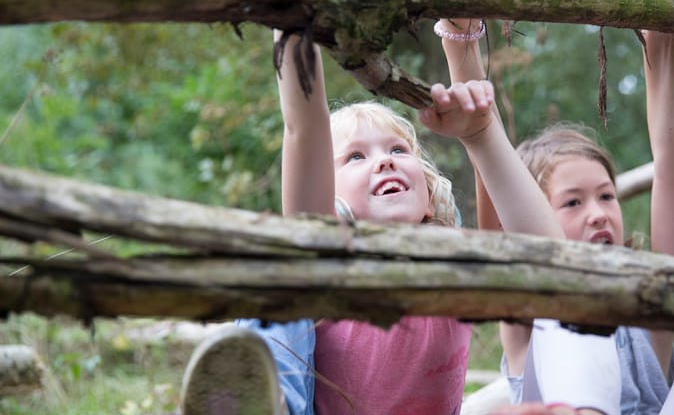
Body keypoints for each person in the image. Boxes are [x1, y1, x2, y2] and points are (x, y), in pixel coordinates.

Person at [180, 21, 567, 414]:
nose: (384, 161)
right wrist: (293, 18)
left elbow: (538, 246)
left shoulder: (453, 264)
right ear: (331, 204)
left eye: (399, 150)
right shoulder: (329, 262)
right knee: (283, 273)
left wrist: (461, 34)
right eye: (356, 157)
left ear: (430, 200)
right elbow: (304, 128)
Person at [433, 0, 674, 415]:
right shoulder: (526, 312)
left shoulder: (649, 302)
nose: (598, 211)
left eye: (606, 195)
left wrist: (663, 33)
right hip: (563, 398)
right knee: (578, 318)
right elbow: (488, 159)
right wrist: (461, 34)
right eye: (572, 203)